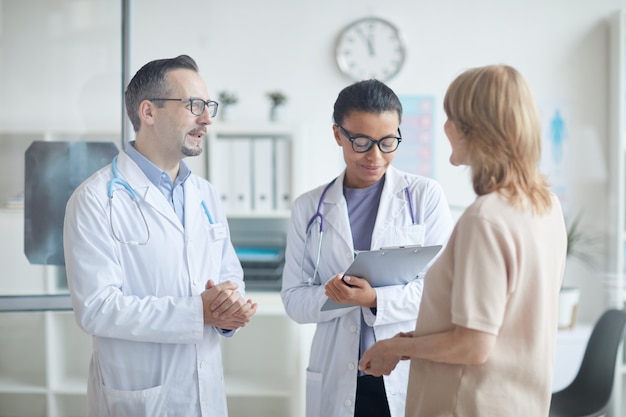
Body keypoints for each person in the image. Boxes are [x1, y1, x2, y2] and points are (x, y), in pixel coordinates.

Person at [359, 65, 568, 417]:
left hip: (468, 405)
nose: (445, 127)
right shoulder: (545, 206)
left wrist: (393, 349)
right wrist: (413, 340)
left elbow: (472, 346)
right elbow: (505, 322)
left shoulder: (485, 219)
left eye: (450, 117)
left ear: (475, 130)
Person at [63, 54, 257, 417]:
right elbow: (96, 308)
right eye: (194, 105)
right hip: (140, 398)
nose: (207, 118)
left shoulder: (205, 194)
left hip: (206, 392)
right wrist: (197, 311)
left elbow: (230, 276)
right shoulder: (94, 199)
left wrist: (231, 309)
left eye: (208, 105)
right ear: (148, 112)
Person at [281, 79, 454, 417]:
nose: (375, 156)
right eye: (361, 142)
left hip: (403, 368)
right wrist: (337, 297)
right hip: (337, 372)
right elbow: (293, 300)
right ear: (337, 135)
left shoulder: (424, 196)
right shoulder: (308, 207)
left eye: (388, 142)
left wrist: (374, 299)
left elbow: (442, 292)